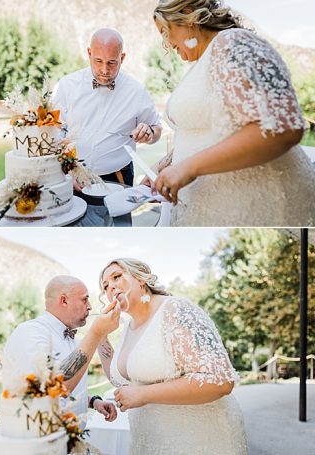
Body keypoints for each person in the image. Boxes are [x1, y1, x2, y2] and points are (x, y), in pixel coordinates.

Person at [148, 0, 315, 226]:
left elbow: (281, 128)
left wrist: (187, 167)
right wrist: (170, 163)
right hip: (211, 209)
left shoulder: (232, 42)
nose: (166, 43)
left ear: (188, 15)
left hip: (259, 211)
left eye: (165, 32)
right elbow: (214, 131)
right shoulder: (203, 62)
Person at [98, 258, 246, 454]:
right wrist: (99, 335)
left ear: (141, 279)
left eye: (117, 276)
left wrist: (143, 395)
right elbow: (120, 381)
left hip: (197, 440)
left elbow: (220, 380)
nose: (111, 287)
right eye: (105, 286)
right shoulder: (127, 328)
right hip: (150, 441)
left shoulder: (175, 310)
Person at [52, 28, 163, 227]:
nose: (105, 70)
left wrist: (149, 133)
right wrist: (66, 172)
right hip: (72, 179)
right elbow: (53, 134)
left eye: (112, 62)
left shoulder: (136, 91)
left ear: (123, 57)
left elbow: (156, 130)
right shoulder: (67, 86)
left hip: (118, 181)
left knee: (120, 231)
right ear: (89, 53)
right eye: (98, 61)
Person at [2, 275, 120, 421]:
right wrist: (96, 332)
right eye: (85, 299)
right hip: (37, 439)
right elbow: (54, 388)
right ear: (64, 300)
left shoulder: (75, 342)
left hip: (72, 438)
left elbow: (70, 388)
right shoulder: (30, 333)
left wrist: (93, 401)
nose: (90, 306)